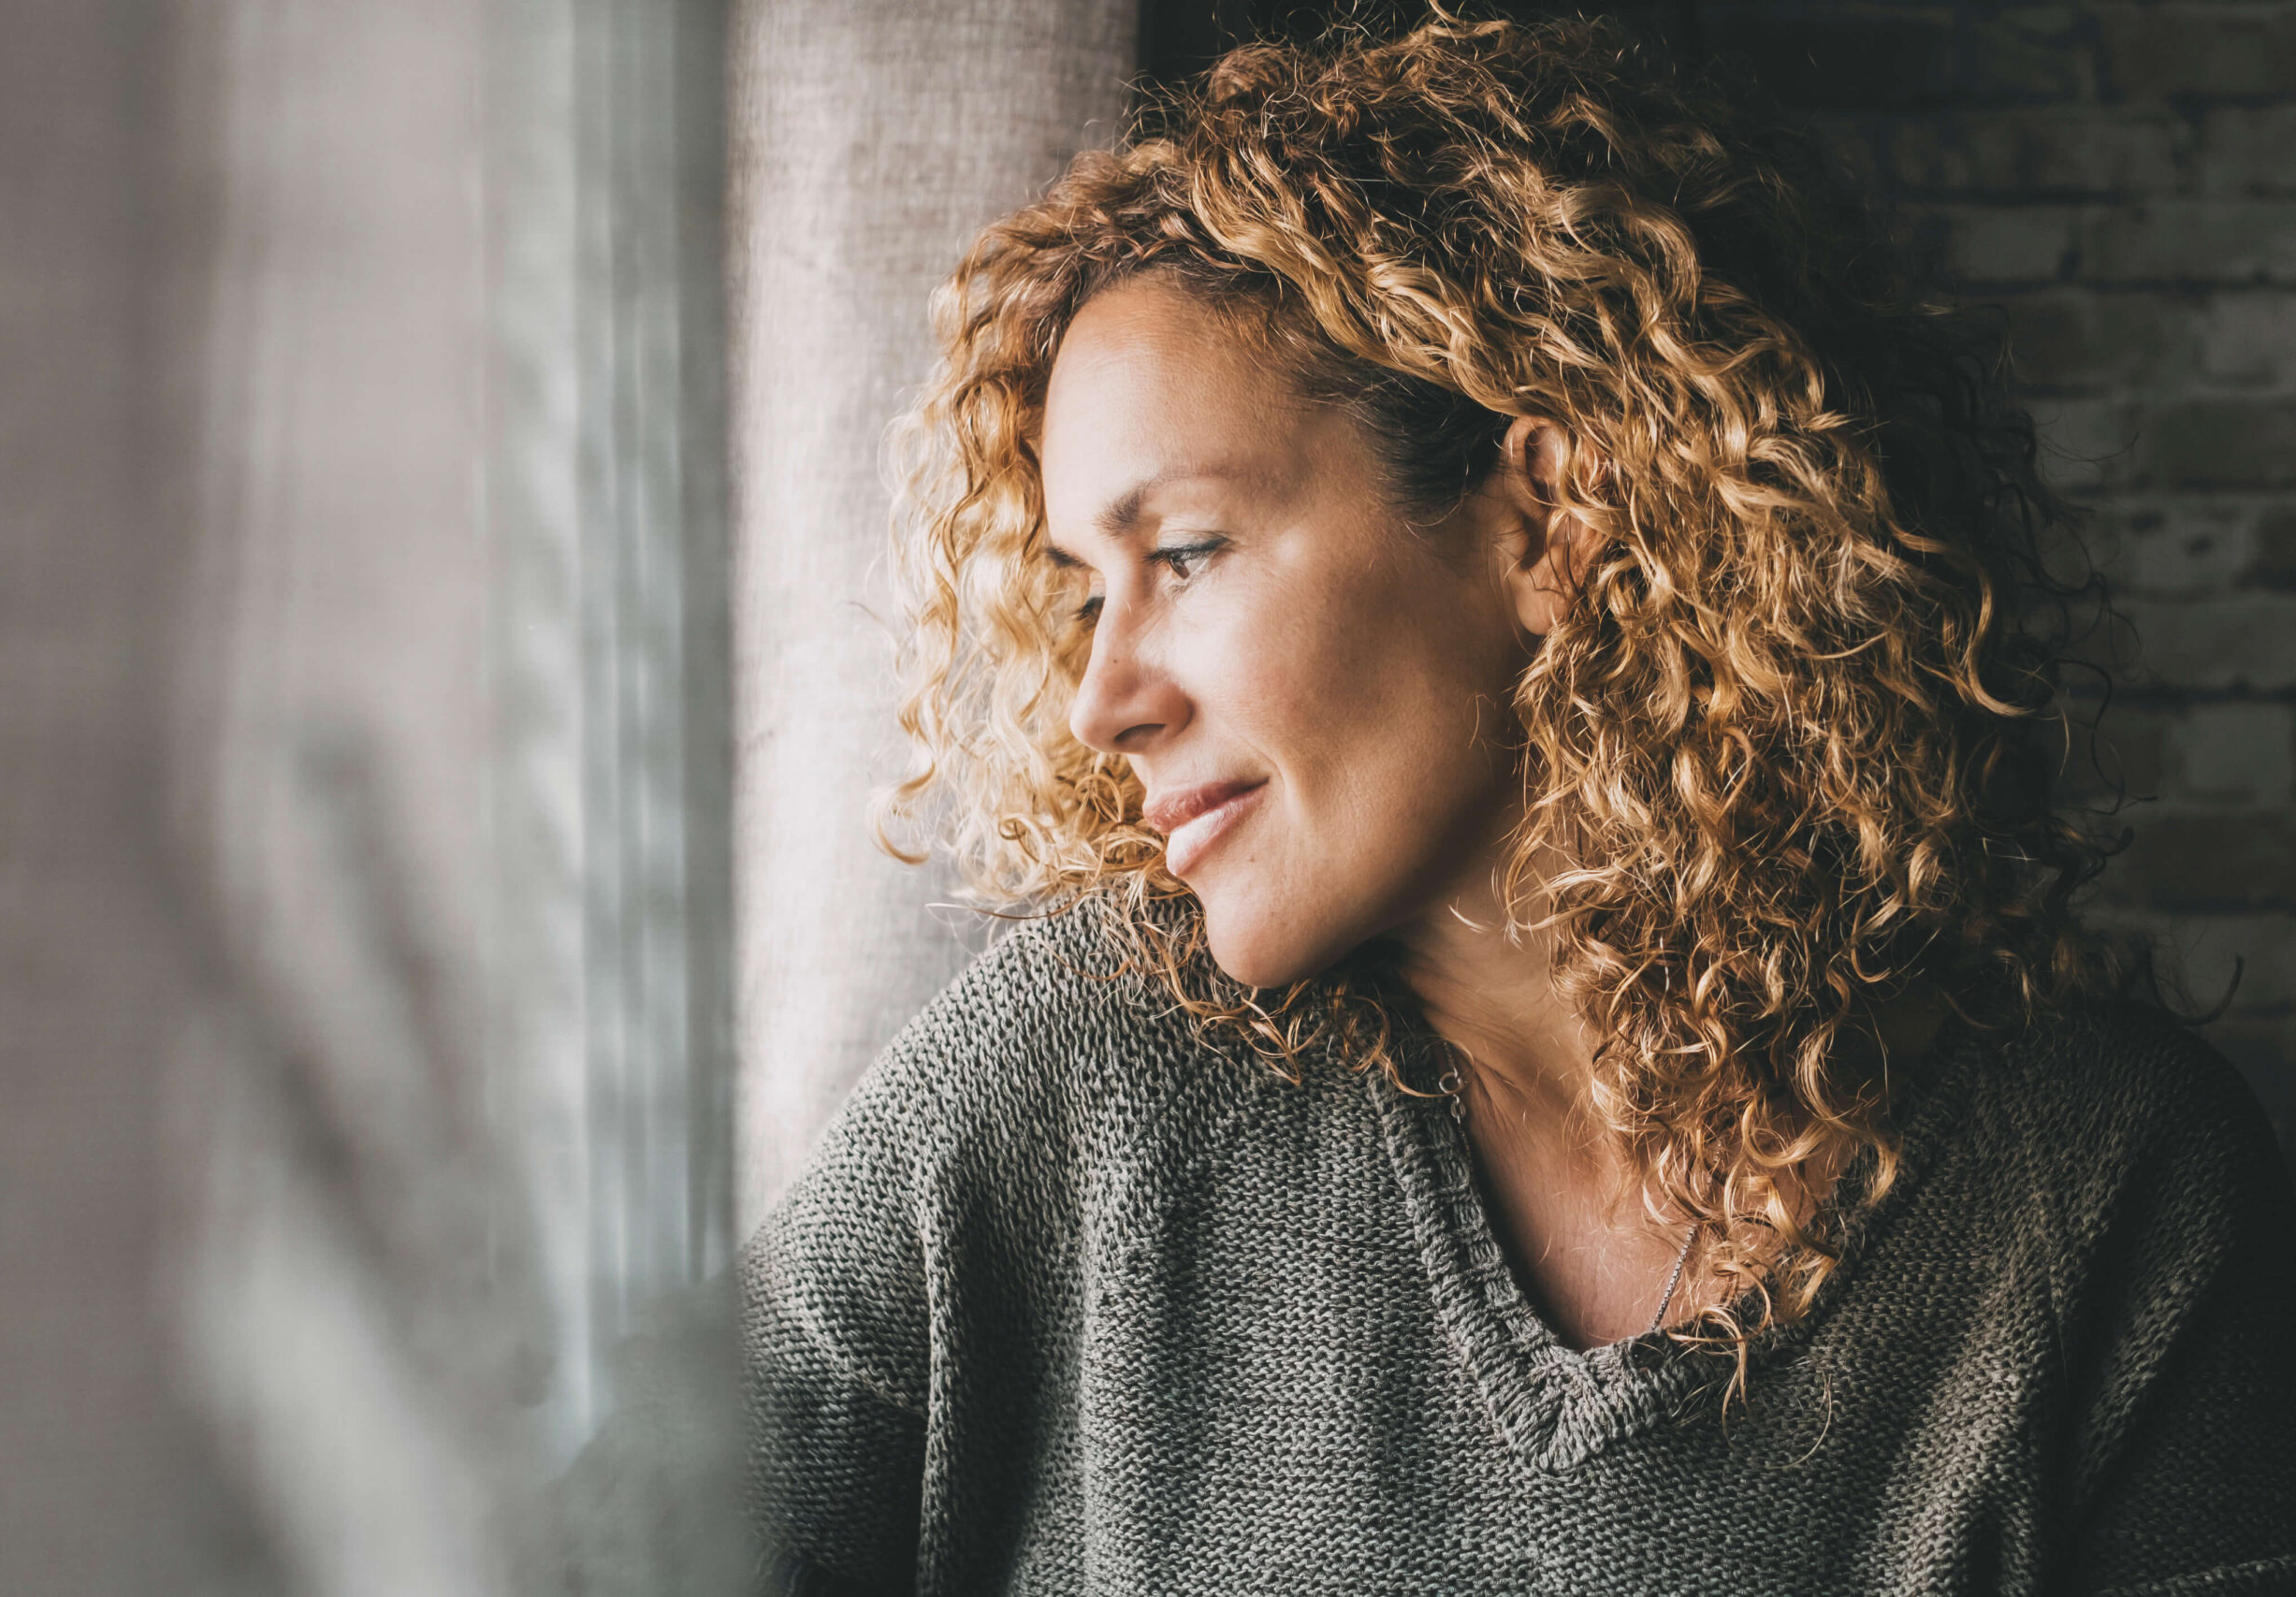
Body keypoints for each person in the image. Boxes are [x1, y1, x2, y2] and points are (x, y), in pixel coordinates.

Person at [742, 14, 2296, 1593]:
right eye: (1087, 594)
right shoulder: (1073, 1074)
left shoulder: (2115, 1192)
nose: (1102, 696)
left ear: (1547, 517)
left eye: (1188, 556)